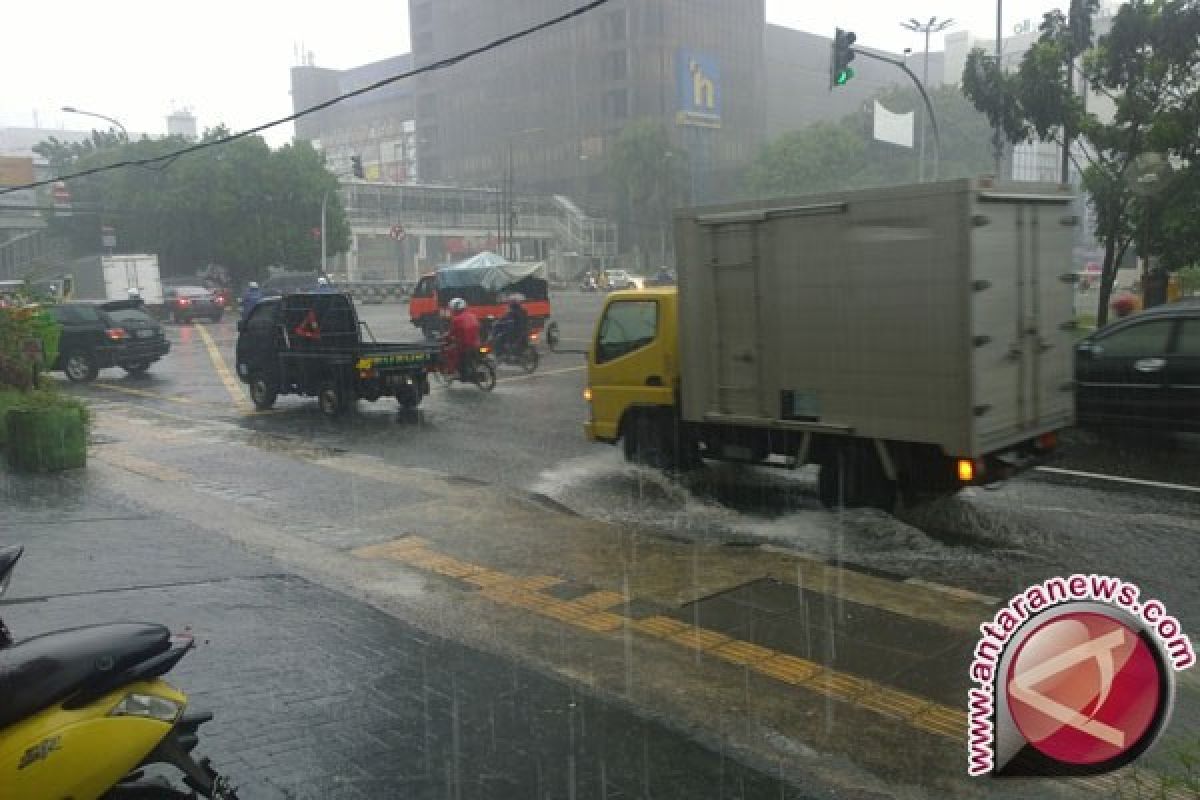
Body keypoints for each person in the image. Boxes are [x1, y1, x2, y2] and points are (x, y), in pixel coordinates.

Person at [444, 297, 480, 381]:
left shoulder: (456, 319)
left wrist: (446, 337)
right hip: (476, 343)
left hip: (464, 346)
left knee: (449, 352)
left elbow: (452, 333)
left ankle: (453, 372)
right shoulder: (472, 315)